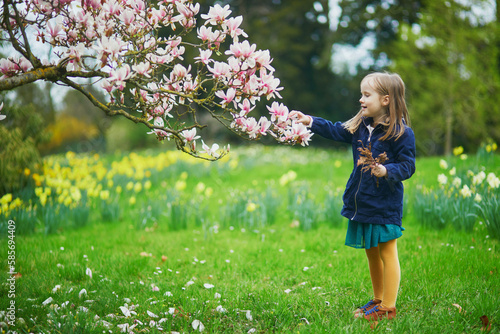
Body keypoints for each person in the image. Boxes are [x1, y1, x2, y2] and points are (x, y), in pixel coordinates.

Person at [290, 72, 416, 321]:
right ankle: (378, 299)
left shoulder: (401, 133)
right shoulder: (360, 127)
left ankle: (388, 308)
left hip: (384, 203)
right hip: (363, 202)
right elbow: (336, 130)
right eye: (361, 94)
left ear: (386, 100)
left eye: (366, 95)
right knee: (371, 251)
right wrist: (309, 121)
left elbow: (408, 165)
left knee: (387, 251)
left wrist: (386, 170)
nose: (361, 99)